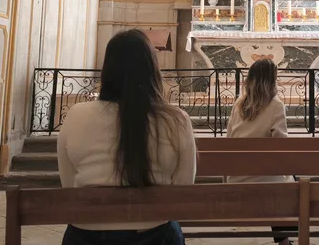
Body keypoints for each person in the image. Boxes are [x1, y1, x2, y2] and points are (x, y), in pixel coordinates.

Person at [57, 29, 197, 245]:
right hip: (154, 234)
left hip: (87, 235)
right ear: (152, 69)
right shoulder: (176, 120)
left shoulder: (76, 114)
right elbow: (183, 187)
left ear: (108, 69)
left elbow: (68, 183)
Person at [226, 59, 294, 245]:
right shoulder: (275, 105)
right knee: (289, 181)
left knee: (281, 178)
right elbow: (282, 146)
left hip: (237, 178)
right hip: (267, 182)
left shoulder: (238, 105)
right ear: (272, 81)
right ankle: (284, 240)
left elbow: (229, 141)